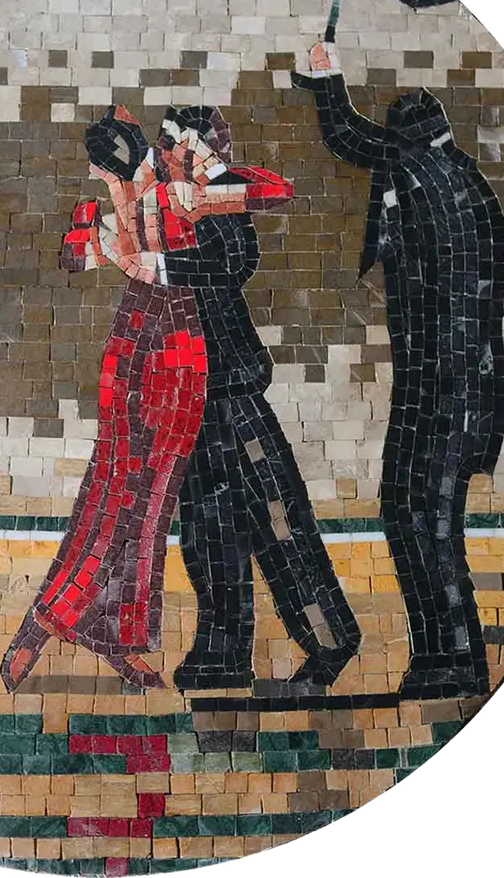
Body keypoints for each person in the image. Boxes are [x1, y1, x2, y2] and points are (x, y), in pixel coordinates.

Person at [292, 41, 504, 699]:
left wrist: (326, 79)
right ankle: (445, 655)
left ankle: (455, 658)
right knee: (421, 515)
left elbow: (352, 140)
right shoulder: (465, 179)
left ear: (405, 143)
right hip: (461, 385)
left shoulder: (419, 174)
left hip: (443, 385)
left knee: (419, 515)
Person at [0, 106, 208, 691]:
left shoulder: (183, 198)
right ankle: (47, 621)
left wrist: (125, 227)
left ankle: (123, 636)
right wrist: (107, 217)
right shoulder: (124, 203)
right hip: (137, 345)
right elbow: (75, 257)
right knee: (114, 489)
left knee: (154, 502)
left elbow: (172, 261)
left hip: (182, 352)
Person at [156, 107, 363, 692]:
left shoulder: (220, 198)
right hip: (192, 394)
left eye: (177, 143)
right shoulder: (168, 201)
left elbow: (233, 260)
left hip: (232, 392)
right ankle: (223, 651)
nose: (167, 153)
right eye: (166, 144)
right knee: (207, 530)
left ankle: (330, 638)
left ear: (202, 149)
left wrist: (161, 263)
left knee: (276, 519)